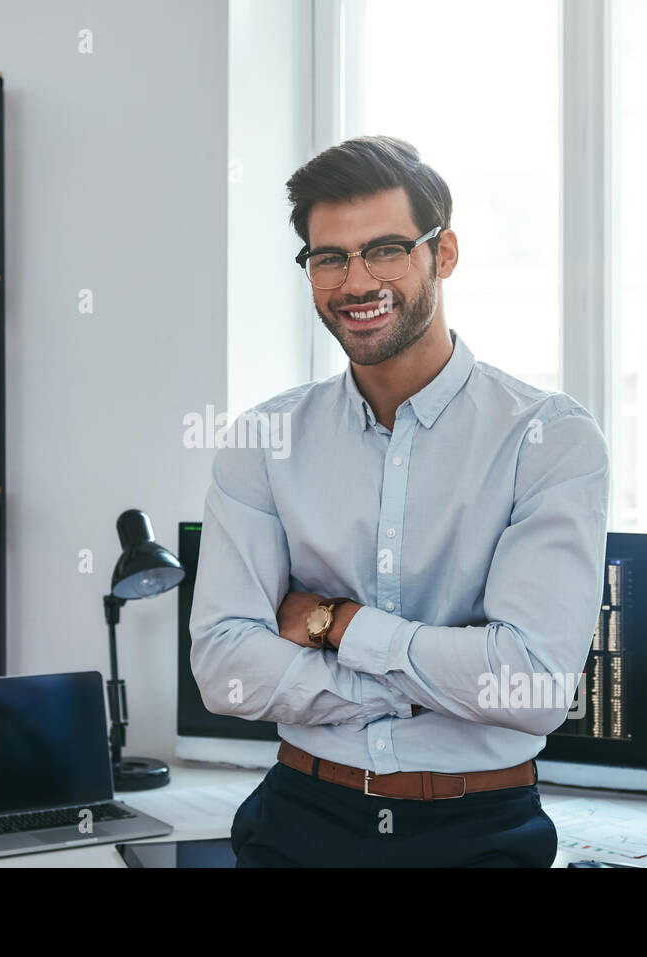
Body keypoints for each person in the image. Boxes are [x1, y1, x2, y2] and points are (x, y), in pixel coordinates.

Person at [189, 135, 610, 867]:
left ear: (442, 254)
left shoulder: (548, 439)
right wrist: (417, 685)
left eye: (385, 249)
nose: (356, 281)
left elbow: (533, 683)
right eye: (330, 258)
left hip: (478, 829)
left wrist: (335, 621)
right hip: (299, 815)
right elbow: (224, 663)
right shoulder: (263, 441)